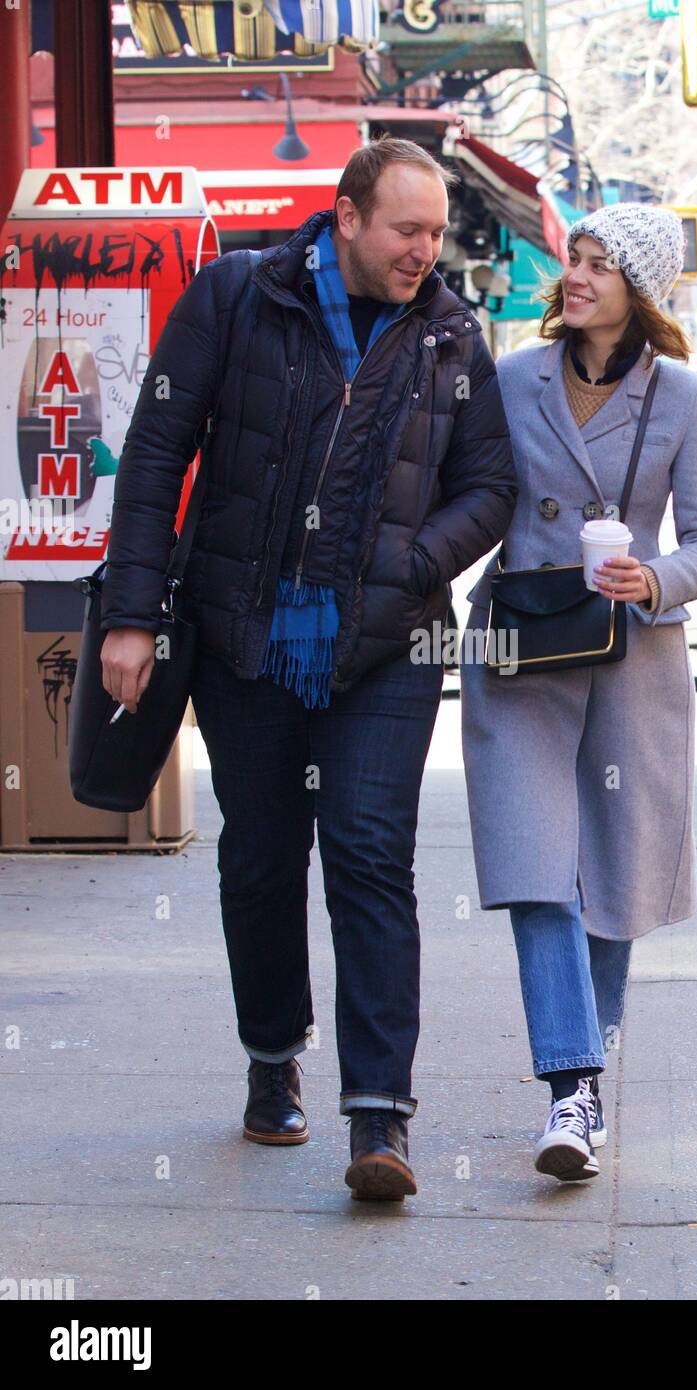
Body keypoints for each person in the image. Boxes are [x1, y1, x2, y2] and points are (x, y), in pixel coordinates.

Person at [98, 137, 517, 1201]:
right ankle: (273, 1048)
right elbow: (155, 453)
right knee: (262, 857)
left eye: (434, 232)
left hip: (384, 646)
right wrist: (133, 614)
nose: (426, 251)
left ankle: (380, 1115)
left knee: (371, 854)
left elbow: (490, 487)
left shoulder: (450, 337)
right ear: (346, 218)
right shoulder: (237, 299)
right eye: (406, 231)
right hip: (245, 636)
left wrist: (413, 565)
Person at [459, 204, 697, 1182]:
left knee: (609, 884)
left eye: (598, 264)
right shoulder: (515, 376)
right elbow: (475, 494)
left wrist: (652, 578)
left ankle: (590, 1068)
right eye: (574, 258)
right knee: (540, 873)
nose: (575, 275)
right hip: (521, 656)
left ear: (638, 292)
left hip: (630, 667)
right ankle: (570, 1086)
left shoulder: (681, 397)